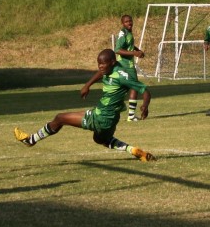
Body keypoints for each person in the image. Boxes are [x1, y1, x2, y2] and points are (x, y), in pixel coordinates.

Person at [14, 49, 156, 162]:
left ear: (112, 62)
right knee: (99, 139)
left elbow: (145, 91)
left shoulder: (121, 76)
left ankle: (30, 140)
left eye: (103, 64)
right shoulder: (112, 68)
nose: (100, 67)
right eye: (98, 63)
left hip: (101, 117)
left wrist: (145, 105)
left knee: (60, 118)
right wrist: (88, 85)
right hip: (111, 118)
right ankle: (133, 150)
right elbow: (101, 73)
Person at [114, 14, 146, 121]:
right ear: (122, 23)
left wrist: (137, 50)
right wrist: (134, 53)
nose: (129, 23)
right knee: (134, 88)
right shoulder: (123, 33)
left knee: (122, 89)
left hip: (125, 65)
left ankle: (115, 111)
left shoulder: (128, 33)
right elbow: (117, 49)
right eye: (126, 21)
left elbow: (129, 45)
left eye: (130, 21)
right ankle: (131, 116)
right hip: (126, 65)